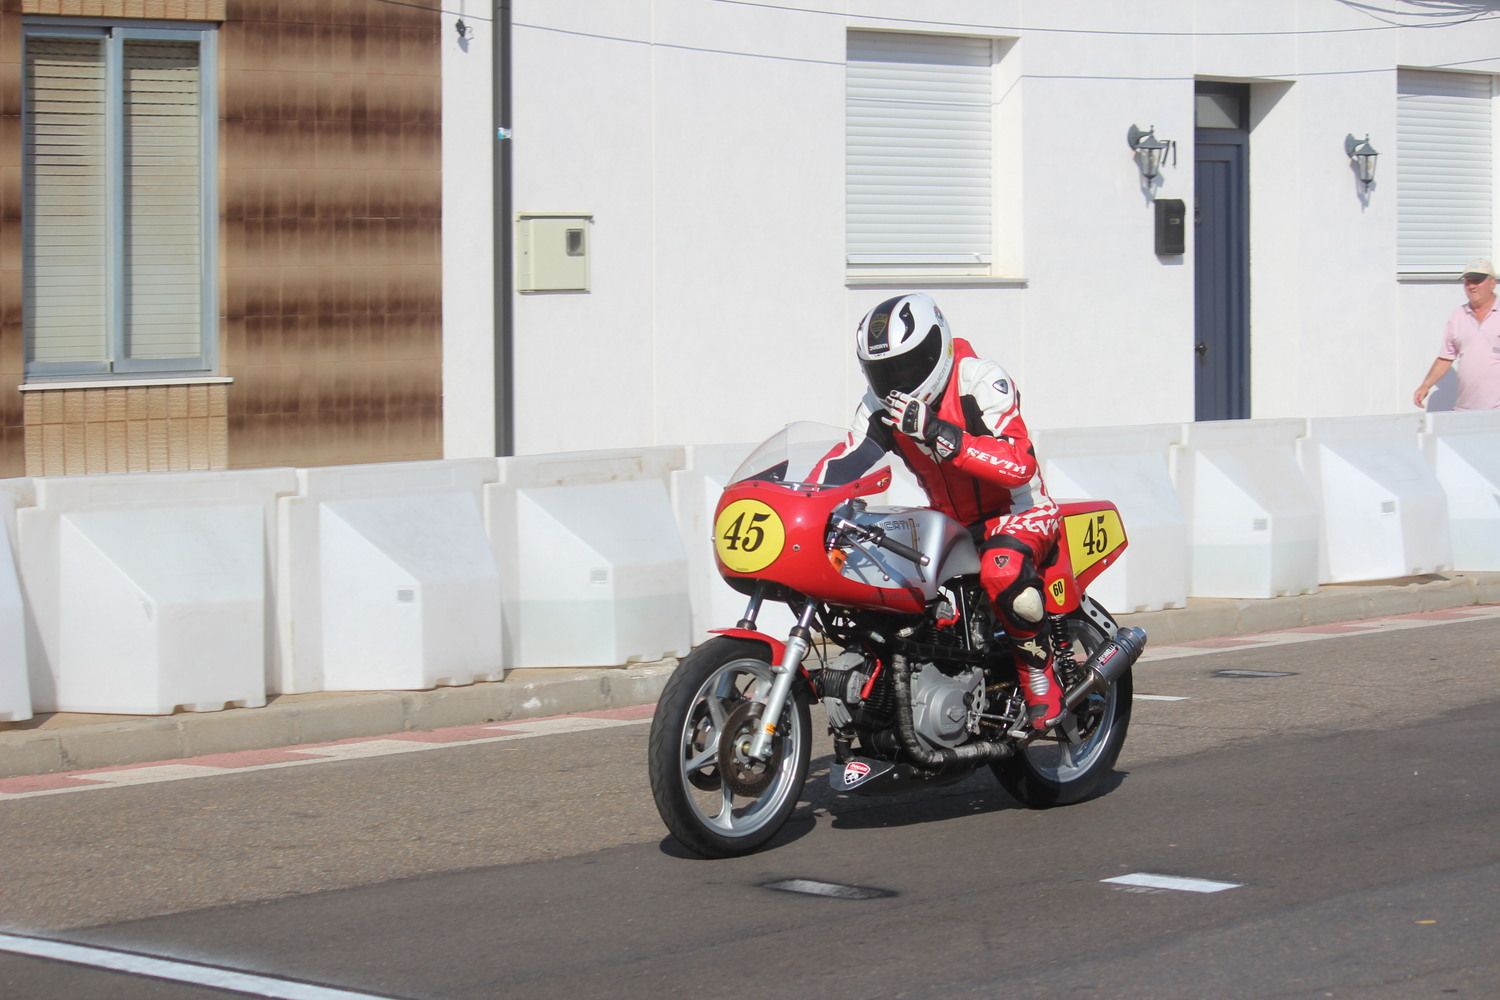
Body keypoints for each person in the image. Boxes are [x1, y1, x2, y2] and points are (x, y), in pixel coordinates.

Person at [819, 293, 1064, 731]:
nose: (897, 379)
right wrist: (806, 497)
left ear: (939, 346)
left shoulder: (981, 380)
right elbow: (848, 459)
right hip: (950, 525)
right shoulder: (881, 407)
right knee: (883, 574)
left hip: (1020, 513)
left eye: (908, 365)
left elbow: (1019, 463)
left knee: (1003, 571)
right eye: (884, 371)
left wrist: (939, 432)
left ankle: (1037, 672)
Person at [1413, 258, 1500, 410]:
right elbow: (1446, 357)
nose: (1471, 286)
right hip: (1465, 410)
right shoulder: (1458, 315)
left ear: (1492, 283)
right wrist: (1425, 385)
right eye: (1467, 282)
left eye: (1477, 281)